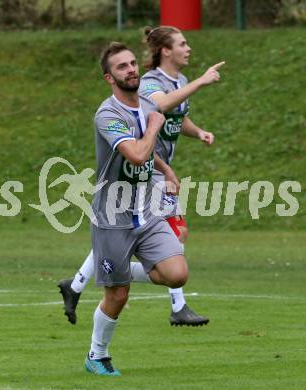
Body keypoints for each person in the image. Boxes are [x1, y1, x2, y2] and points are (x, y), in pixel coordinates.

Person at [58, 26, 224, 327]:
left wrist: (196, 134)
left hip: (153, 172)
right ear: (166, 50)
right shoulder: (148, 85)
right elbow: (157, 113)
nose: (188, 49)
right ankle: (177, 306)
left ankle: (79, 282)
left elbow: (174, 115)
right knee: (171, 235)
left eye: (132, 63)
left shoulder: (178, 81)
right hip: (135, 182)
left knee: (166, 244)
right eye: (182, 44)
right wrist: (202, 82)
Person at [83, 42, 189, 375]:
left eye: (132, 63)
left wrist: (167, 170)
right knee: (118, 296)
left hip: (146, 211)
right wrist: (155, 126)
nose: (131, 69)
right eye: (122, 67)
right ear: (108, 77)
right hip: (112, 217)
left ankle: (113, 273)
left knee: (177, 273)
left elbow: (149, 153)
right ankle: (96, 355)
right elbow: (137, 152)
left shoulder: (145, 104)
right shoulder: (107, 114)